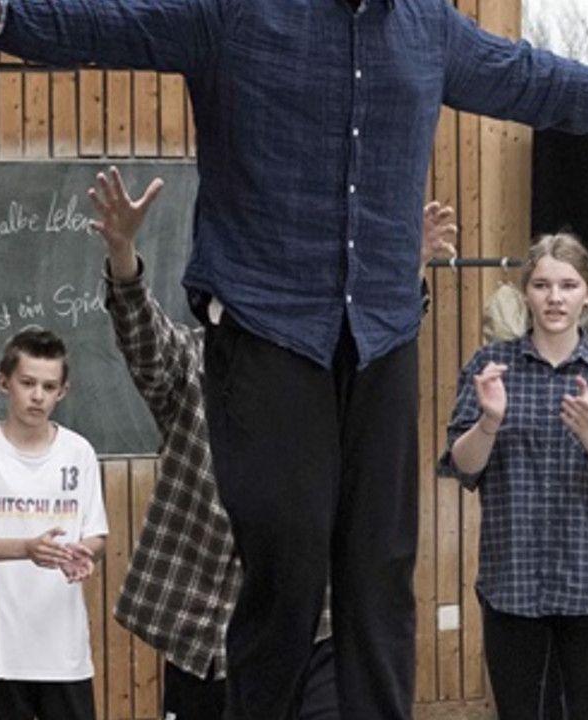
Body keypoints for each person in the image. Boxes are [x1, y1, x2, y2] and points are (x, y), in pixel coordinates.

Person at [0, 3, 588, 717]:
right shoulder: (233, 13)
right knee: (288, 551)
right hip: (265, 325)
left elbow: (527, 77)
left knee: (378, 567)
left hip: (378, 330)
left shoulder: (426, 27)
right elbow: (111, 21)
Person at [87, 165, 457, 720]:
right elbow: (141, 335)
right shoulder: (195, 362)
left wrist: (408, 270)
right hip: (205, 629)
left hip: (315, 627)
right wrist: (122, 251)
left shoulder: (327, 370)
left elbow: (375, 348)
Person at [439, 232, 588, 720]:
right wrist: (489, 421)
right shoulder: (490, 367)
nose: (555, 297)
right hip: (511, 581)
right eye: (541, 285)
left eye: (568, 285)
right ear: (526, 293)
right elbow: (464, 466)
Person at [0, 328, 109, 720]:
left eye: (49, 386)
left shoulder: (79, 453)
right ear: (3, 382)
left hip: (64, 649)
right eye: (27, 383)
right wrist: (25, 549)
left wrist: (82, 552)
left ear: (63, 391)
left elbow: (95, 534)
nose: (37, 396)